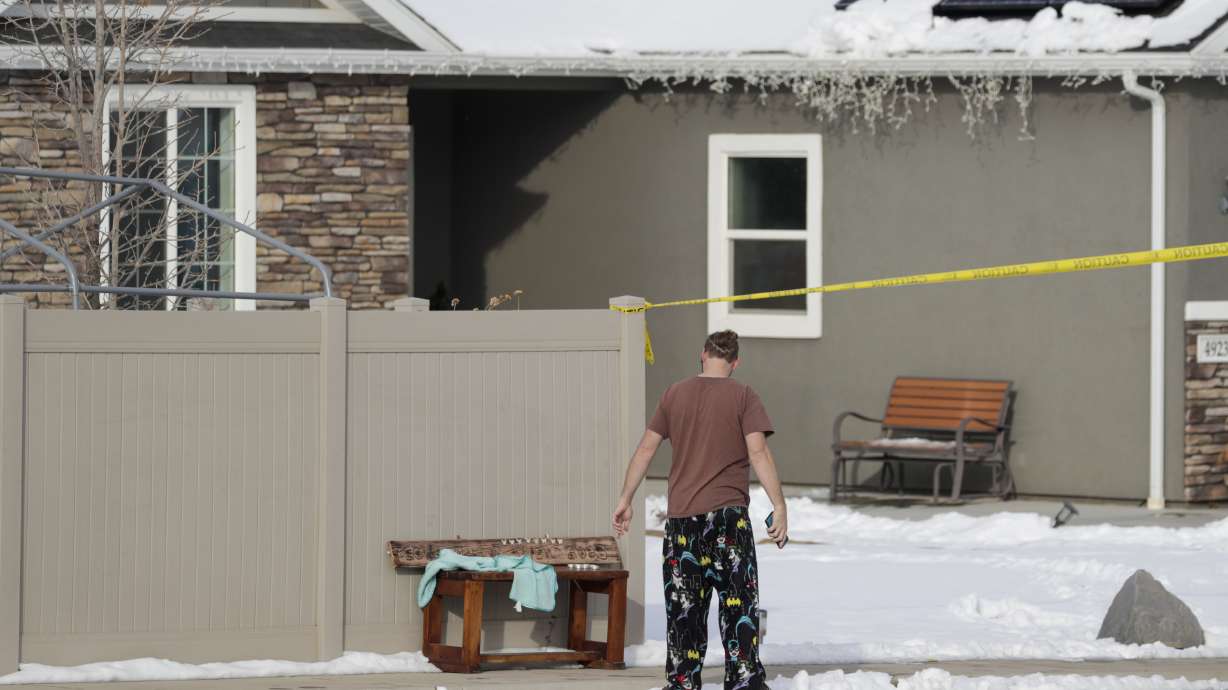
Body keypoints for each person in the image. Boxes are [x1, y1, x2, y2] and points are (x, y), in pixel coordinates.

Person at [612, 329, 788, 690]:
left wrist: (626, 498)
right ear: (735, 362)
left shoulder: (675, 393)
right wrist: (779, 504)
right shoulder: (743, 395)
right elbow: (758, 453)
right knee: (738, 607)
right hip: (728, 520)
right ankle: (743, 681)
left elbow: (646, 449)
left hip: (682, 524)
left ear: (702, 354)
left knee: (684, 612)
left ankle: (682, 682)